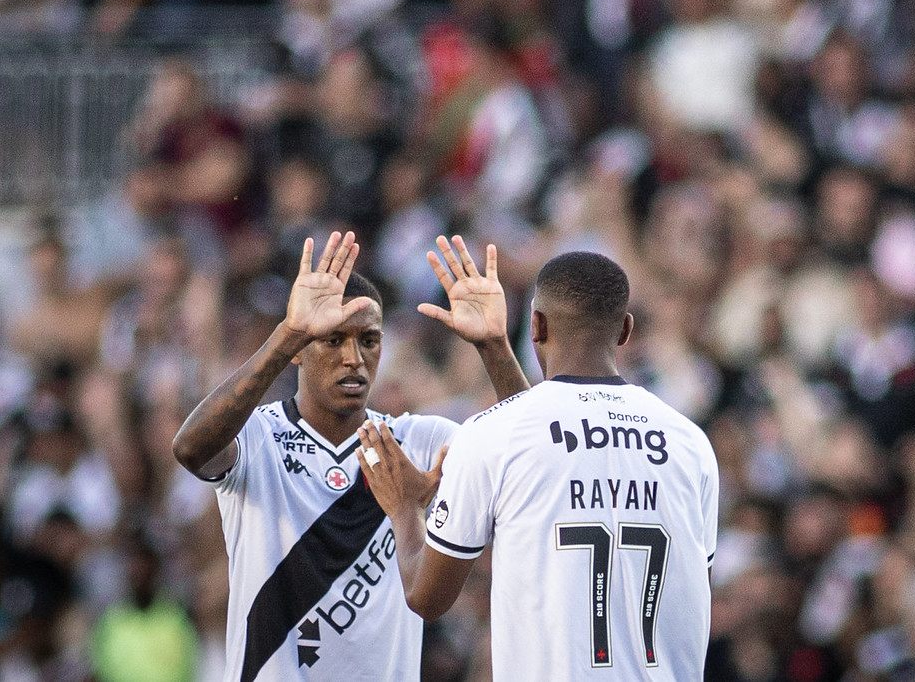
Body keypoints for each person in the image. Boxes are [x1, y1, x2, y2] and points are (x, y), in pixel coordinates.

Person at [170, 231, 528, 682]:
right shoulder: (259, 434)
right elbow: (190, 449)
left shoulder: (417, 441)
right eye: (333, 339)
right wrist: (289, 333)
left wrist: (495, 347)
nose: (354, 358)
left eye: (369, 340)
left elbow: (534, 465)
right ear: (299, 351)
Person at [361, 249, 720, 680]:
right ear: (625, 329)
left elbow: (427, 597)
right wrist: (494, 348)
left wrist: (404, 508)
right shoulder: (691, 443)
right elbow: (694, 590)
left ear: (536, 325)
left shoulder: (491, 434)